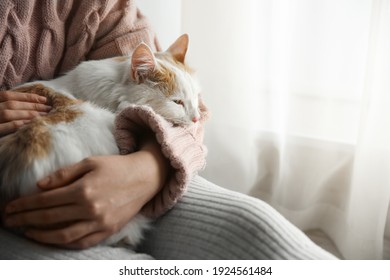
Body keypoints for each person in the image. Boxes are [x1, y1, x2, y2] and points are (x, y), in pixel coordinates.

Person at [0, 0, 336, 259]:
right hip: (31, 180)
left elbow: (187, 110)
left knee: (258, 228)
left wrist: (151, 169)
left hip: (149, 168)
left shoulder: (104, 9)